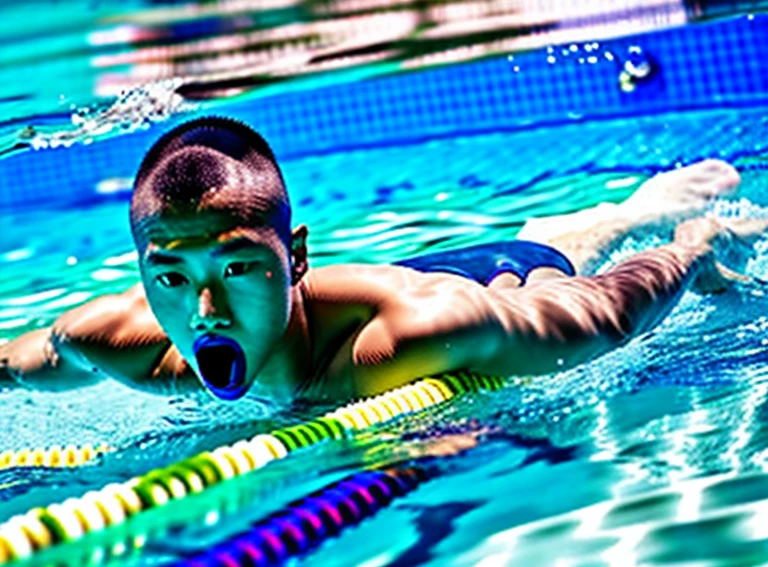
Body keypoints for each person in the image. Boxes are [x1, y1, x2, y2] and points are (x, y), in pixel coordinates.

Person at [0, 116, 759, 403]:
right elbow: (13, 359)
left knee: (562, 254)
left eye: (235, 270)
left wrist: (692, 250)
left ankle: (634, 211)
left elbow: (609, 312)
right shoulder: (119, 343)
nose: (203, 314)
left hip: (491, 277)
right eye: (170, 278)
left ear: (292, 257)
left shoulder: (423, 331)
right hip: (397, 278)